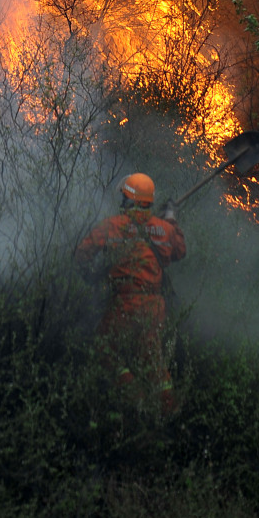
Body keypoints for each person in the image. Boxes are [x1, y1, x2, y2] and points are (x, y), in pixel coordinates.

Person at [76, 172, 186, 412]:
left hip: (124, 304)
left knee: (104, 349)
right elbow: (179, 251)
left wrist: (93, 276)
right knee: (153, 363)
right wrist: (171, 219)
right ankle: (170, 415)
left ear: (128, 200)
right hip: (154, 307)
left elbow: (82, 254)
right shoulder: (164, 229)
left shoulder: (112, 225)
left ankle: (134, 398)